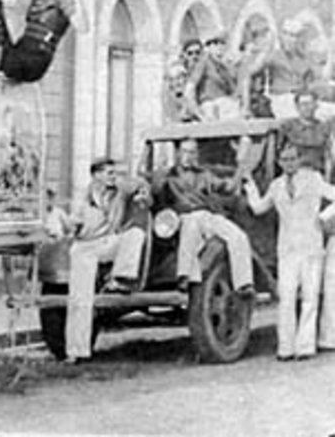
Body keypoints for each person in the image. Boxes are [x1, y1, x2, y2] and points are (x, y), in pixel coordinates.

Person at [243, 143, 335, 360]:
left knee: (310, 298)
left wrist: (325, 217)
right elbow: (258, 208)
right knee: (286, 297)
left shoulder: (313, 180)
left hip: (311, 246)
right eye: (285, 160)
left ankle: (305, 347)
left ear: (299, 159)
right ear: (279, 162)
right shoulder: (276, 186)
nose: (289, 164)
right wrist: (249, 186)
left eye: (293, 159)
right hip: (287, 249)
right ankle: (286, 347)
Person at [64, 158, 148, 363]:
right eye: (109, 173)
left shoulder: (119, 191)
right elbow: (72, 228)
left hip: (106, 243)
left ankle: (120, 278)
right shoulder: (81, 199)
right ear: (96, 175)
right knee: (80, 300)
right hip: (84, 248)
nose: (113, 177)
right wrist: (71, 226)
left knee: (135, 234)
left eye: (115, 172)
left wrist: (143, 192)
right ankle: (76, 351)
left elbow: (139, 183)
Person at [150, 138, 253, 296]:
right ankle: (184, 277)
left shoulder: (204, 174)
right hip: (182, 216)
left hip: (206, 215)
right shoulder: (169, 176)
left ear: (196, 154)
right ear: (178, 154)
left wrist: (241, 165)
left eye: (192, 152)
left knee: (238, 235)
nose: (188, 156)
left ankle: (244, 284)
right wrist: (160, 167)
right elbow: (156, 189)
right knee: (189, 228)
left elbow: (229, 188)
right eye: (184, 151)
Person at [278, 89, 334, 178]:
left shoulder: (323, 128)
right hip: (294, 175)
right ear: (297, 107)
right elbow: (279, 155)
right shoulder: (288, 126)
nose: (307, 108)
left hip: (317, 175)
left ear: (316, 106)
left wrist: (326, 181)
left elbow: (328, 158)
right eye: (303, 104)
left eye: (310, 103)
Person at [184, 32, 240, 121]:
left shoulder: (224, 67)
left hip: (226, 106)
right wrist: (199, 115)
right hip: (210, 106)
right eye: (215, 43)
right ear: (209, 47)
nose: (219, 47)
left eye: (222, 43)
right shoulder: (204, 62)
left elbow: (234, 91)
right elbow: (189, 90)